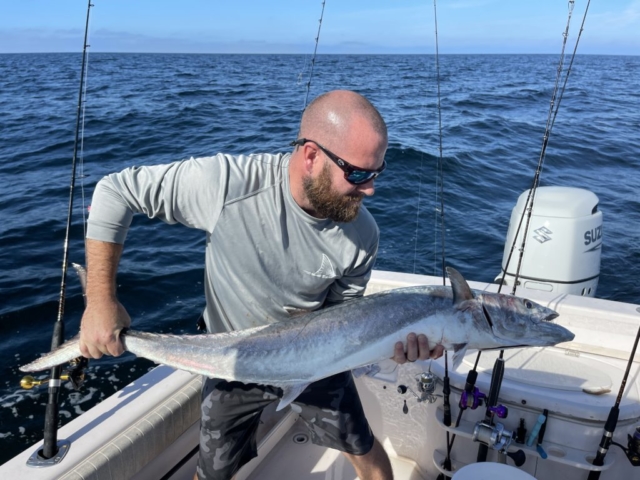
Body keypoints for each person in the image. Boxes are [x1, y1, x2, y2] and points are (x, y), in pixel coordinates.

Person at [79, 90, 444, 480]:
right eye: (357, 174)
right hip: (234, 359)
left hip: (317, 360)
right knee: (212, 474)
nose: (370, 189)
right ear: (311, 156)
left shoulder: (362, 234)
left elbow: (344, 316)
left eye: (376, 173)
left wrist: (394, 346)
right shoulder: (228, 186)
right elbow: (116, 191)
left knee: (369, 458)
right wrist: (100, 300)